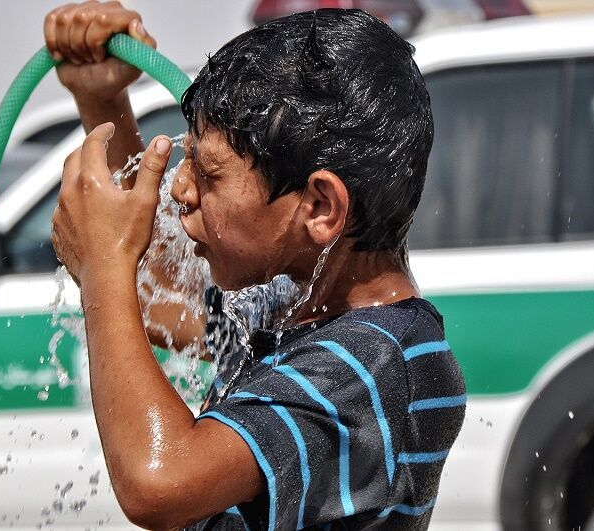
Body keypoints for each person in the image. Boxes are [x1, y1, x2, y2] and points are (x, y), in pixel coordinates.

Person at [46, 2, 466, 529]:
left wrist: (104, 265)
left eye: (209, 174)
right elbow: (155, 301)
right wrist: (103, 100)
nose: (179, 189)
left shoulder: (373, 364)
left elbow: (159, 481)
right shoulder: (297, 308)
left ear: (320, 207)